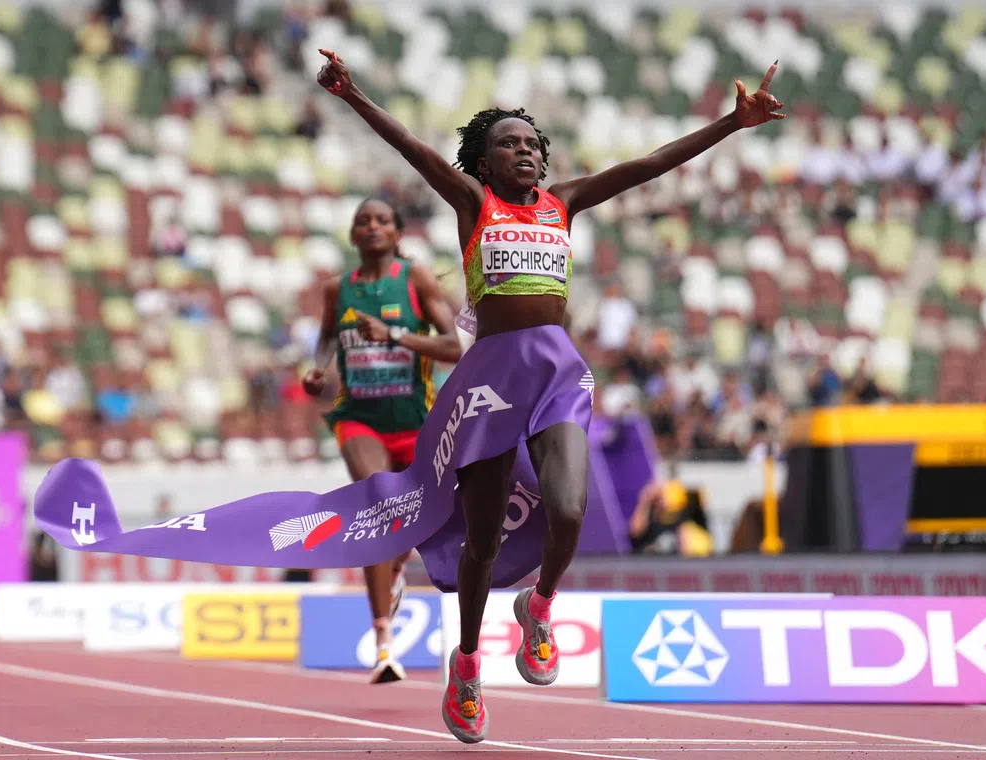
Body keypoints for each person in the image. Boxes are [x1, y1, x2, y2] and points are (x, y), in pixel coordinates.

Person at [316, 49, 785, 742]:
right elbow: (415, 150)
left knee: (569, 508)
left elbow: (650, 164)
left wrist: (730, 123)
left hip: (555, 370)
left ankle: (538, 608)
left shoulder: (563, 202)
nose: (526, 153)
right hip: (493, 377)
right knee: (479, 541)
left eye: (533, 144)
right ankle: (468, 663)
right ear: (484, 161)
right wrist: (353, 93)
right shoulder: (473, 201)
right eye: (509, 145)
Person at [302, 197, 463, 684]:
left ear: (397, 234)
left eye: (381, 221)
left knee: (412, 524)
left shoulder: (415, 280)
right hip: (359, 420)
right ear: (353, 237)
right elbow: (329, 336)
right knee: (378, 505)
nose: (371, 227)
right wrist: (320, 369)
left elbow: (454, 347)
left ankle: (396, 567)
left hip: (417, 422)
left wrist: (394, 334)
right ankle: (382, 642)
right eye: (362, 222)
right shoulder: (338, 290)